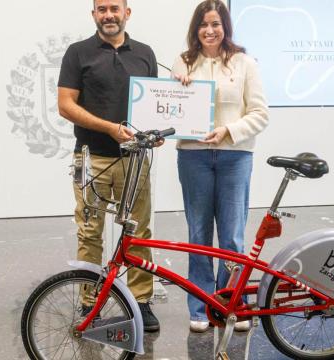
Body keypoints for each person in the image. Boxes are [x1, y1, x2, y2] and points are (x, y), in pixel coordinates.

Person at [57, 0, 160, 332]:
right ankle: (91, 303)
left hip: (135, 160)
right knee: (90, 232)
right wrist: (109, 128)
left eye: (115, 8)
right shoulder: (77, 52)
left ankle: (142, 302)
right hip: (92, 157)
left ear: (127, 13)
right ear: (94, 15)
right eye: (102, 9)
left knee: (139, 232)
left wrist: (154, 133)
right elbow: (65, 105)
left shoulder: (145, 52)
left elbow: (155, 106)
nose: (109, 15)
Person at [171, 0, 269, 333]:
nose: (209, 30)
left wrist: (229, 131)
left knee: (232, 239)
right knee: (198, 236)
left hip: (234, 157)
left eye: (215, 23)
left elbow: (260, 114)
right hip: (193, 156)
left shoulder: (244, 63)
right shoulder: (183, 62)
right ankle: (200, 306)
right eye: (203, 24)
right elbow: (172, 109)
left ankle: (232, 304)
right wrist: (175, 86)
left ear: (225, 26)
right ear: (195, 29)